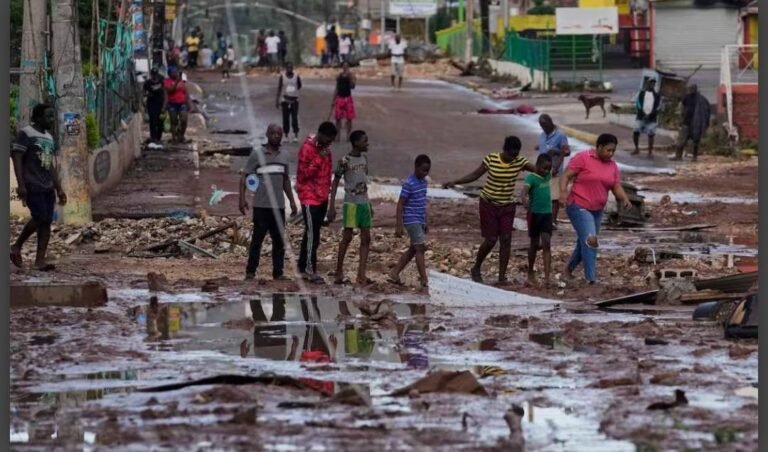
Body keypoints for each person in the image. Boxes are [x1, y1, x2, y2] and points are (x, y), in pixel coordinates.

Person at [444, 136, 535, 285]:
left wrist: (549, 166)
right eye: (510, 154)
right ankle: (476, 268)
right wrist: (455, 181)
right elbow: (474, 175)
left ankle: (502, 277)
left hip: (507, 205)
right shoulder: (491, 159)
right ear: (504, 149)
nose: (513, 158)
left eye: (515, 155)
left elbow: (538, 170)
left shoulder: (520, 161)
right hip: (488, 203)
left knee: (506, 239)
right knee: (491, 239)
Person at [559, 133, 632, 284]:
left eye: (613, 151)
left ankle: (567, 271)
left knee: (584, 242)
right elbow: (566, 175)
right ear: (599, 147)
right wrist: (563, 192)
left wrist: (624, 198)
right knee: (590, 240)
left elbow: (615, 185)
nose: (610, 154)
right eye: (608, 150)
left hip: (597, 210)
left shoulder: (612, 166)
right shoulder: (583, 158)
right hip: (578, 205)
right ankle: (590, 280)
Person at [10, 103, 67, 271]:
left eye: (52, 116)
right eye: (48, 116)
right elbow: (17, 157)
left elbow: (50, 166)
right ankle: (16, 246)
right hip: (32, 184)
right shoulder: (26, 133)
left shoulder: (49, 138)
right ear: (38, 117)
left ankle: (39, 261)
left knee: (46, 222)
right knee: (40, 217)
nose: (52, 120)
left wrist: (59, 188)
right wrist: (21, 185)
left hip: (47, 186)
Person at [239, 124, 298, 281]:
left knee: (279, 241)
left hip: (278, 206)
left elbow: (285, 180)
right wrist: (241, 198)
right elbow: (244, 176)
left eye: (279, 134)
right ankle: (250, 271)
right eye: (273, 133)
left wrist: (292, 202)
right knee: (257, 240)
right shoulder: (257, 155)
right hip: (261, 206)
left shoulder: (284, 156)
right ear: (267, 134)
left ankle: (278, 273)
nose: (276, 136)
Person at [296, 122, 338, 284]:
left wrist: (328, 197)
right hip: (308, 197)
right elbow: (303, 175)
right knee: (312, 234)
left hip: (322, 197)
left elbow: (327, 175)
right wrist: (318, 159)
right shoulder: (307, 149)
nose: (330, 143)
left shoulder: (327, 151)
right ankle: (309, 270)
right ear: (321, 134)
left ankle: (302, 265)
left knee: (313, 233)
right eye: (329, 139)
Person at [328, 130, 372, 286]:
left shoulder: (364, 159)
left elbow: (363, 183)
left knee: (366, 238)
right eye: (365, 141)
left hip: (364, 203)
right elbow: (334, 183)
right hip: (351, 204)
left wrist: (369, 204)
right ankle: (339, 272)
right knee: (347, 237)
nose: (367, 144)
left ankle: (361, 274)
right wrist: (331, 205)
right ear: (356, 143)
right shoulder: (344, 161)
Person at [388, 154, 431, 291]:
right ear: (416, 167)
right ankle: (424, 279)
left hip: (419, 219)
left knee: (413, 249)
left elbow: (423, 203)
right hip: (411, 220)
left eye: (427, 171)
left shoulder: (424, 183)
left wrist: (426, 220)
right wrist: (398, 225)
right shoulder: (409, 183)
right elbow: (400, 204)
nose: (425, 173)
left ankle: (394, 272)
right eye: (423, 170)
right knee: (420, 248)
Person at [521, 154, 554, 288]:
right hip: (534, 214)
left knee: (546, 243)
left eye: (548, 169)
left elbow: (555, 167)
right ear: (537, 166)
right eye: (543, 168)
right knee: (534, 244)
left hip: (547, 214)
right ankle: (530, 272)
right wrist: (524, 200)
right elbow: (524, 191)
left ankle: (547, 277)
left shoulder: (548, 175)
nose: (546, 171)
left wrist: (561, 154)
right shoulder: (531, 178)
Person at [536, 114, 570, 228]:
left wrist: (556, 152)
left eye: (545, 125)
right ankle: (545, 219)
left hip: (555, 170)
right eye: (542, 126)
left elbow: (567, 151)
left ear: (551, 122)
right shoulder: (542, 135)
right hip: (542, 171)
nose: (544, 128)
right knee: (544, 196)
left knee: (554, 198)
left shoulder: (560, 135)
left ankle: (553, 221)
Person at [672, 84, 710, 162]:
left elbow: (707, 111)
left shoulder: (701, 99)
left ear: (696, 89)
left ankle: (694, 157)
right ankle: (678, 156)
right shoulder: (686, 97)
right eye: (690, 89)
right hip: (686, 122)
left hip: (696, 123)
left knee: (696, 141)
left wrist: (705, 123)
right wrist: (680, 118)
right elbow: (682, 107)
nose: (691, 90)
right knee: (681, 140)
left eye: (693, 89)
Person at [632, 78, 661, 157]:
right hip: (641, 116)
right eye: (650, 83)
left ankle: (650, 152)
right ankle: (636, 148)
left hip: (652, 118)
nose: (652, 84)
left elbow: (658, 107)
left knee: (651, 134)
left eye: (653, 83)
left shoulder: (657, 95)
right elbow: (637, 103)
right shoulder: (641, 93)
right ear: (647, 84)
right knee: (636, 131)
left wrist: (651, 114)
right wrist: (643, 113)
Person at [276, 62, 302, 143]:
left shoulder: (296, 76)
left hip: (294, 100)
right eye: (288, 67)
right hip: (285, 100)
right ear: (286, 68)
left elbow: (299, 85)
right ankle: (286, 135)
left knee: (294, 118)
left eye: (291, 67)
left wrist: (293, 91)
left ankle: (296, 135)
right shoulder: (282, 77)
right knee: (285, 119)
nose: (290, 69)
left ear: (293, 68)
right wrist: (277, 100)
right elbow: (279, 88)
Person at [164, 67, 191, 144]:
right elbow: (170, 90)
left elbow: (186, 92)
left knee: (184, 120)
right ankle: (174, 137)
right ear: (169, 73)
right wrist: (176, 82)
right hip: (172, 103)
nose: (175, 73)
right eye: (174, 72)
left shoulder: (182, 81)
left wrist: (189, 103)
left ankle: (181, 135)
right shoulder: (167, 81)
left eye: (176, 72)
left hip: (182, 103)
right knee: (173, 120)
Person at [331, 62, 356, 142]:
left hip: (347, 98)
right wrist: (333, 100)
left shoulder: (351, 75)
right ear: (342, 67)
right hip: (340, 98)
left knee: (349, 118)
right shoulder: (339, 76)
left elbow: (353, 87)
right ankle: (338, 136)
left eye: (347, 66)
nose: (345, 67)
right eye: (344, 66)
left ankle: (348, 136)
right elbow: (337, 88)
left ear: (348, 67)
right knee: (338, 118)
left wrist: (351, 78)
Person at [143, 67, 166, 144]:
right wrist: (147, 95)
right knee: (153, 121)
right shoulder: (148, 83)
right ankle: (153, 137)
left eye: (156, 74)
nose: (155, 76)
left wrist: (164, 106)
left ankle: (159, 138)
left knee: (160, 121)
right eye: (153, 74)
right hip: (151, 104)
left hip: (160, 104)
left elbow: (165, 93)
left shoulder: (162, 82)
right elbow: (144, 93)